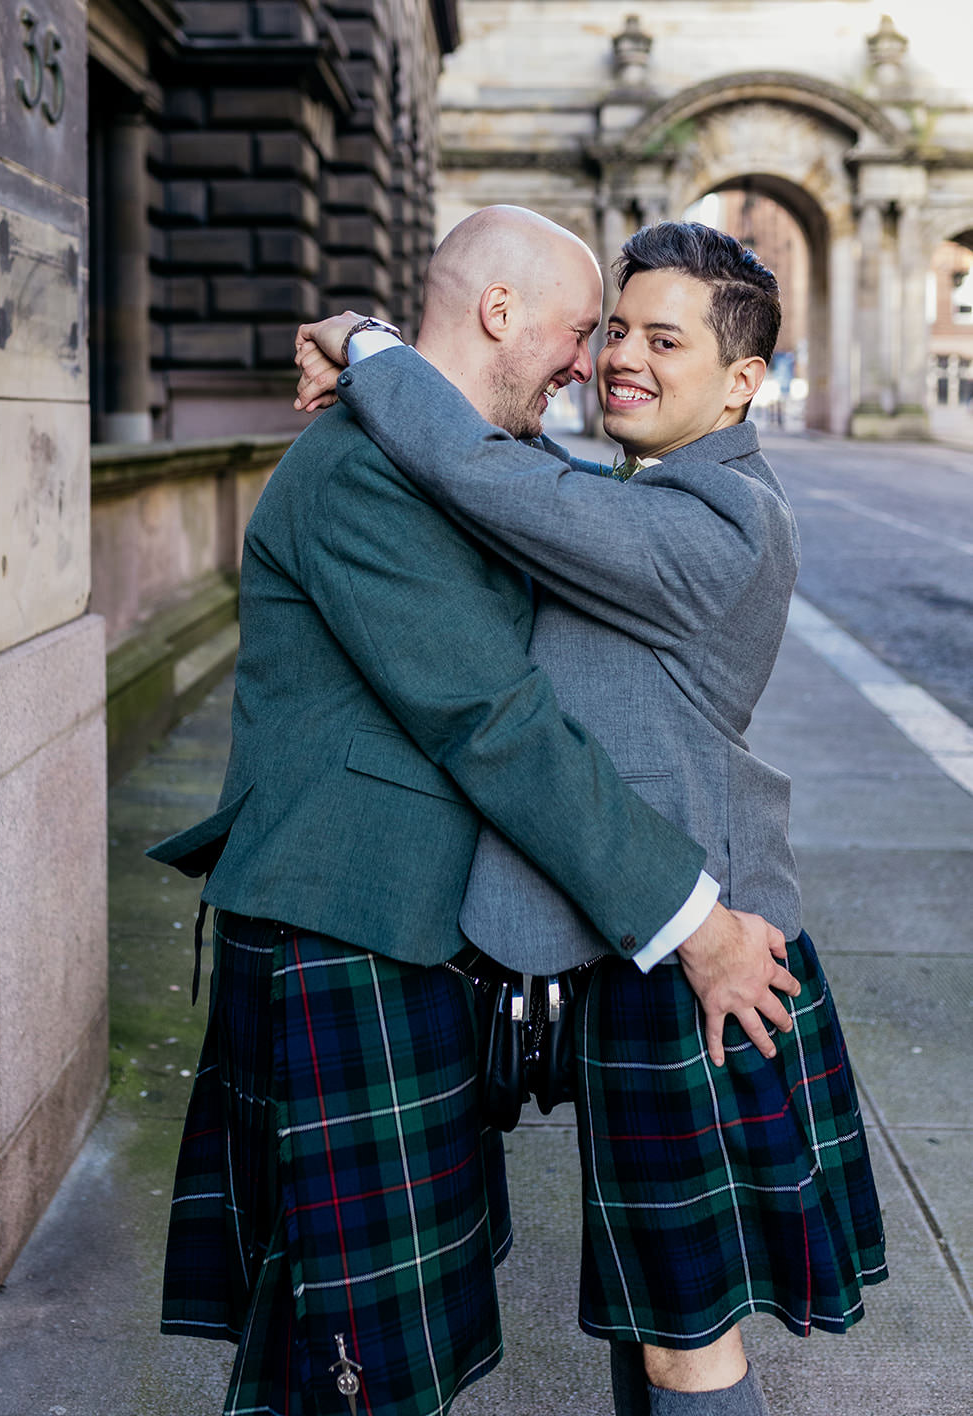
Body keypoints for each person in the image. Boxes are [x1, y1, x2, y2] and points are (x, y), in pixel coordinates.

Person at [148, 207, 798, 1416]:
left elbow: (507, 490)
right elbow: (488, 719)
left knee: (410, 1332)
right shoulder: (360, 470)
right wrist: (686, 917)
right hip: (338, 921)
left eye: (642, 337)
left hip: (408, 930)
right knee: (352, 1351)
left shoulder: (679, 511)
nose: (588, 362)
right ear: (499, 314)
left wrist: (367, 339)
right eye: (581, 330)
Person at [293, 216, 886, 1416]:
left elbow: (486, 476)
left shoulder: (717, 524)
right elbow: (521, 482)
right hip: (639, 941)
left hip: (706, 954)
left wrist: (365, 344)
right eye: (615, 326)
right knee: (646, 1308)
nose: (618, 355)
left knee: (684, 1333)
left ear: (738, 382)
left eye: (662, 339)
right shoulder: (647, 486)